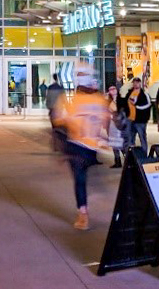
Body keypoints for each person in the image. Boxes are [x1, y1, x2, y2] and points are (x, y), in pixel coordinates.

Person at [60, 65, 110, 230]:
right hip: (92, 148)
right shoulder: (100, 100)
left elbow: (63, 122)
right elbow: (106, 120)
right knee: (84, 177)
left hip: (77, 146)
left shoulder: (73, 101)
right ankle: (87, 205)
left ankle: (83, 213)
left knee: (80, 181)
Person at [125, 77, 151, 150]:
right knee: (130, 139)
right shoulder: (129, 93)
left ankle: (144, 155)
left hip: (140, 120)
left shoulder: (144, 94)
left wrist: (136, 106)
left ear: (140, 83)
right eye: (134, 82)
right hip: (130, 119)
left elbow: (148, 105)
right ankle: (131, 156)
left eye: (137, 82)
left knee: (142, 137)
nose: (136, 84)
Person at [107, 83, 128, 168]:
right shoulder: (108, 101)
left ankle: (127, 160)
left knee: (122, 143)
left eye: (114, 89)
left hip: (120, 123)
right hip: (113, 123)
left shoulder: (121, 100)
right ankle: (117, 161)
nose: (113, 91)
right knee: (114, 142)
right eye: (110, 89)